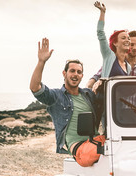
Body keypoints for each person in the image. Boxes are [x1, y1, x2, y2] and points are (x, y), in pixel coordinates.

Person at [29, 38, 104, 167]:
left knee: (121, 147)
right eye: (72, 71)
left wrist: (102, 82)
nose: (75, 74)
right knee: (97, 154)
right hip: (79, 147)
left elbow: (106, 81)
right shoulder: (56, 96)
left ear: (82, 76)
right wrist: (41, 61)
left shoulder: (88, 95)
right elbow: (35, 88)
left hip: (96, 140)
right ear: (64, 73)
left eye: (79, 72)